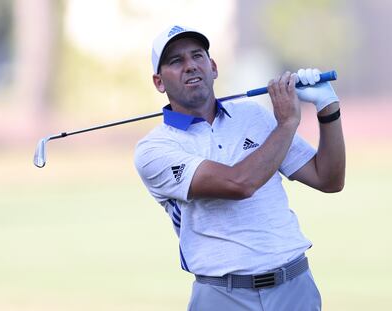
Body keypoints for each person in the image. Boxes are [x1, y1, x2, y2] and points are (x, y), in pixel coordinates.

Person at [134, 25, 345, 311]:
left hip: (294, 288)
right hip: (223, 297)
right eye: (176, 61)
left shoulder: (253, 115)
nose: (190, 66)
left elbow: (328, 178)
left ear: (213, 67)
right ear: (159, 82)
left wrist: (328, 108)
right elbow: (239, 184)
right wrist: (286, 123)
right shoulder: (154, 150)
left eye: (197, 56)